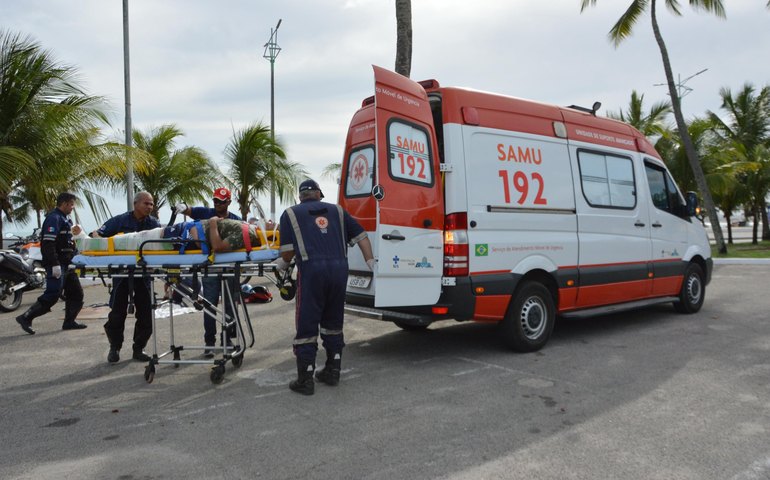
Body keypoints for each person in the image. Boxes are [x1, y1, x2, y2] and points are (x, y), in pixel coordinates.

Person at [277, 179, 374, 396]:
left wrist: (282, 264)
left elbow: (287, 253)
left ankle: (305, 379)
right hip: (339, 271)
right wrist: (370, 262)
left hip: (311, 272)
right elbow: (362, 236)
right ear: (319, 194)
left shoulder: (290, 213)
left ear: (300, 196)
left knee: (307, 322)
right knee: (333, 320)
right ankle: (333, 369)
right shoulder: (338, 211)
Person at [91, 191, 160, 364]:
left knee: (146, 313)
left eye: (151, 204)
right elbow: (97, 234)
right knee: (117, 313)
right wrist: (101, 243)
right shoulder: (120, 221)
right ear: (135, 204)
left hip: (144, 275)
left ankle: (139, 348)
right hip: (122, 274)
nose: (150, 207)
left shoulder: (153, 224)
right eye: (146, 203)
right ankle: (114, 347)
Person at [173, 187, 242, 356]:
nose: (218, 204)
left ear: (229, 202)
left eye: (222, 201)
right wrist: (183, 207)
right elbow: (191, 211)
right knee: (210, 306)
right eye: (215, 201)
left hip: (230, 268)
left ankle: (227, 338)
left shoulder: (236, 220)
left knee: (230, 306)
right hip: (210, 269)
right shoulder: (206, 213)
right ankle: (209, 342)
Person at [15, 192, 86, 335]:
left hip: (68, 263)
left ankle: (69, 322)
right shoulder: (54, 218)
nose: (72, 207)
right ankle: (26, 317)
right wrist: (54, 264)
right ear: (64, 203)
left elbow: (68, 241)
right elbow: (48, 243)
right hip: (57, 263)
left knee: (76, 293)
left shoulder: (65, 219)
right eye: (71, 204)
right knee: (53, 294)